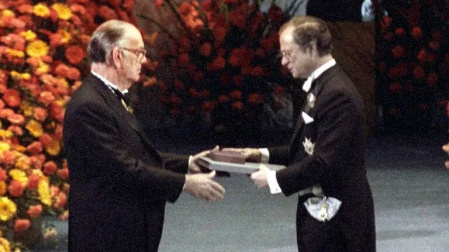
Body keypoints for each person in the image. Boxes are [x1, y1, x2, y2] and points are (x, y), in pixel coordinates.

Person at [63, 20, 225, 251]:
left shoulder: (106, 96)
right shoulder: (90, 105)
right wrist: (185, 183)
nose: (144, 60)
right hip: (107, 233)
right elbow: (121, 167)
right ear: (117, 56)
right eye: (139, 53)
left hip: (121, 227)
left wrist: (189, 163)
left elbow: (136, 153)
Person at [227, 16, 376, 251]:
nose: (284, 62)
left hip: (340, 223)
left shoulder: (337, 94)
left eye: (289, 53)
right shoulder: (322, 86)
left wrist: (273, 178)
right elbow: (309, 146)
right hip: (324, 215)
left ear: (312, 48)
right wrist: (260, 155)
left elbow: (324, 162)